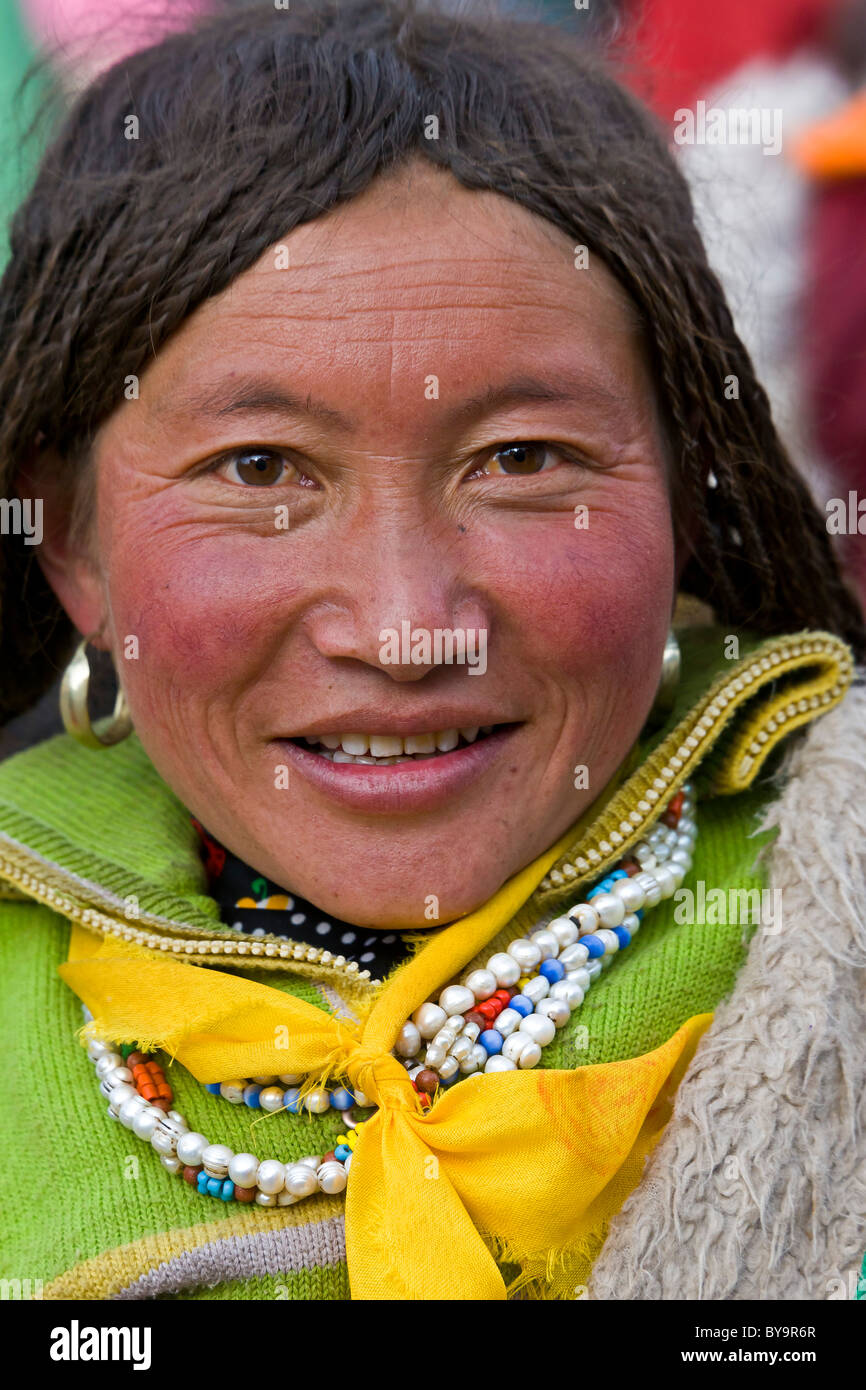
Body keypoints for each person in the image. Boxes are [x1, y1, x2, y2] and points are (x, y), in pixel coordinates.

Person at [0, 0, 863, 1302]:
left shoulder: (832, 917)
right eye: (260, 468)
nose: (405, 625)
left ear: (687, 496)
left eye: (521, 460)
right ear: (70, 541)